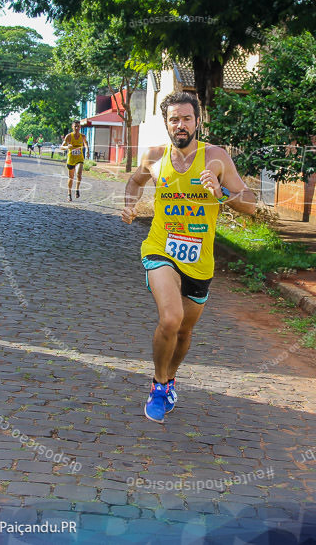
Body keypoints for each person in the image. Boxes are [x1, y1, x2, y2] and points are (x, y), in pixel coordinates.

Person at [120, 91, 257, 422]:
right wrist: (128, 203)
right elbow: (134, 182)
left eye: (186, 118)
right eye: (173, 119)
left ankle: (170, 381)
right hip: (160, 246)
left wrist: (222, 191)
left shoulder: (217, 157)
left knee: (183, 331)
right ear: (166, 123)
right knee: (171, 318)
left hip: (200, 258)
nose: (180, 125)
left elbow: (251, 204)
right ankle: (157, 384)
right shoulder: (155, 156)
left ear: (198, 121)